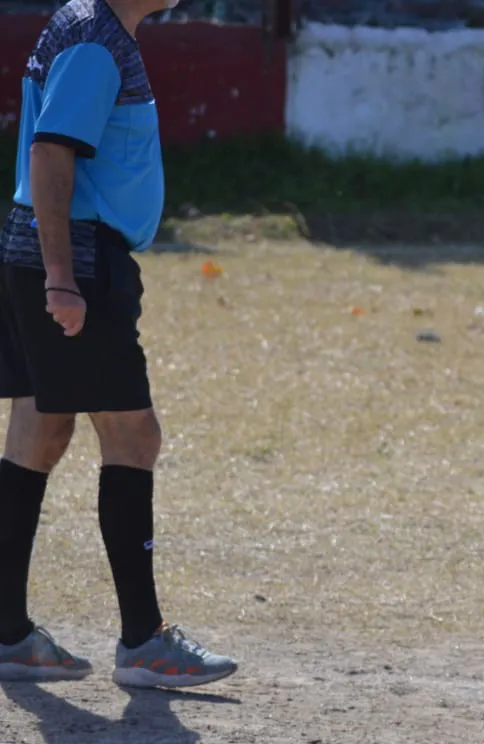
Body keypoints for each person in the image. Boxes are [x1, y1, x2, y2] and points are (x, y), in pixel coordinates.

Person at [0, 0, 237, 688]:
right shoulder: (96, 40)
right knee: (134, 436)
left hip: (46, 256)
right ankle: (143, 641)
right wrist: (62, 281)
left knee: (37, 433)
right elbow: (49, 152)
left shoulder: (90, 26)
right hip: (76, 261)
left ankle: (7, 631)